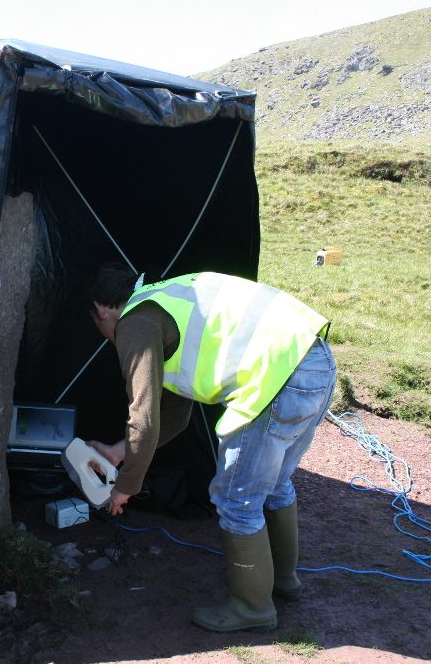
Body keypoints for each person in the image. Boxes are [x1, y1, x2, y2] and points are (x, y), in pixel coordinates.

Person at [84, 263, 337, 633]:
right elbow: (174, 413)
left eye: (97, 322)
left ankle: (253, 607)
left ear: (102, 309)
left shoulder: (135, 323)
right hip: (315, 360)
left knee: (237, 500)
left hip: (277, 378)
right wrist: (122, 451)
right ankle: (282, 581)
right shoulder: (163, 301)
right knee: (275, 485)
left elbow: (144, 417)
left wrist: (126, 486)